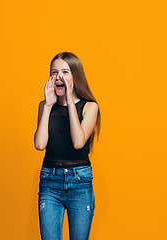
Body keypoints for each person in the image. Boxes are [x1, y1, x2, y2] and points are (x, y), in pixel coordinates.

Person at [34, 52, 101, 240]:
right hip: (50, 182)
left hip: (79, 182)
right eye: (54, 72)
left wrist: (70, 102)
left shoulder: (90, 107)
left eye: (65, 71)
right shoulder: (44, 106)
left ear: (75, 76)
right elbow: (40, 144)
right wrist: (48, 106)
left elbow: (78, 142)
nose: (59, 77)